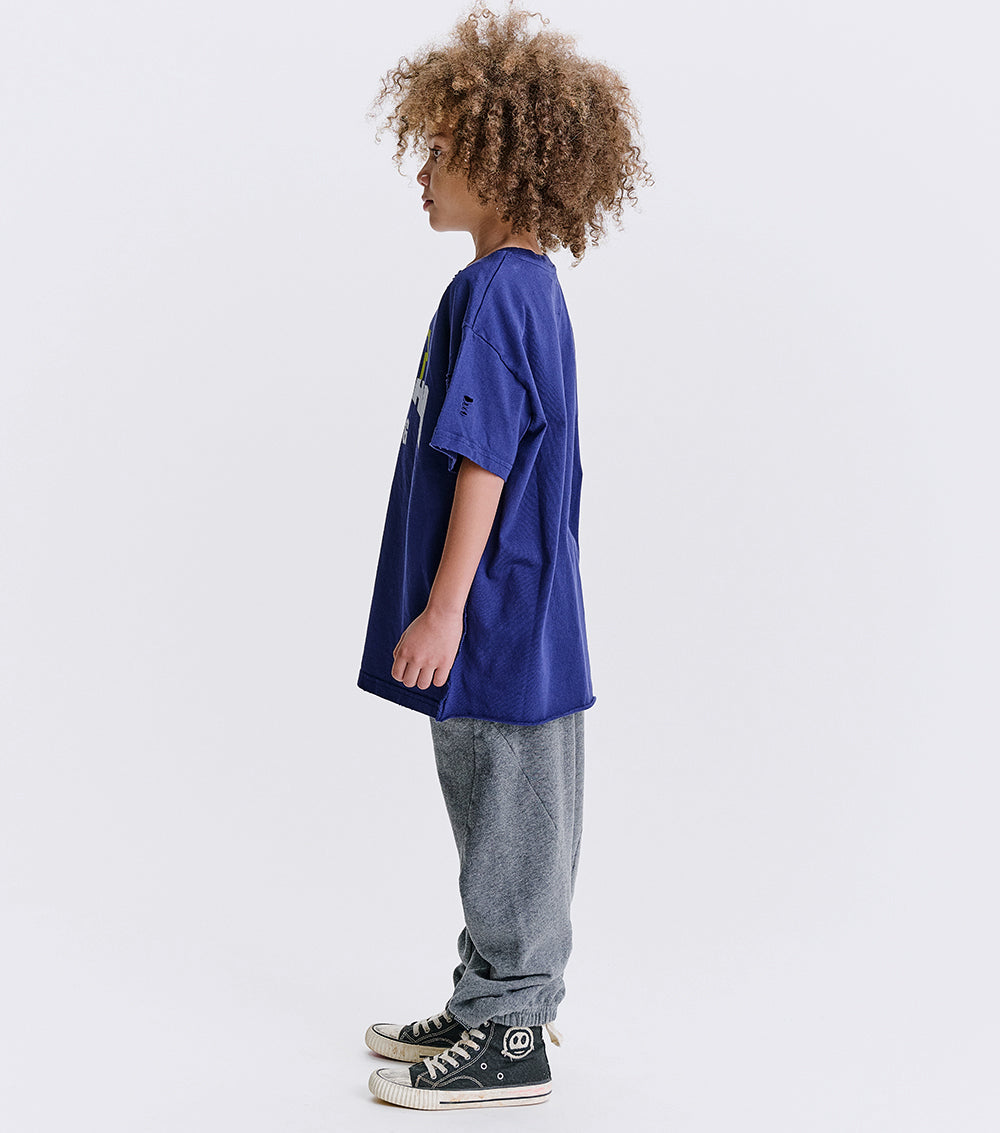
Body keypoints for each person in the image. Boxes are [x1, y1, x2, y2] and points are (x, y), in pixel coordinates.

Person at [356, 2, 652, 1112]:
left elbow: (482, 458)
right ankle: (487, 995)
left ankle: (514, 1027)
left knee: (514, 817)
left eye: (440, 149)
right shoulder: (524, 287)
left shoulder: (494, 291)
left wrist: (444, 609)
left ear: (499, 159)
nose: (421, 170)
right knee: (495, 811)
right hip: (517, 608)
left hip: (496, 612)